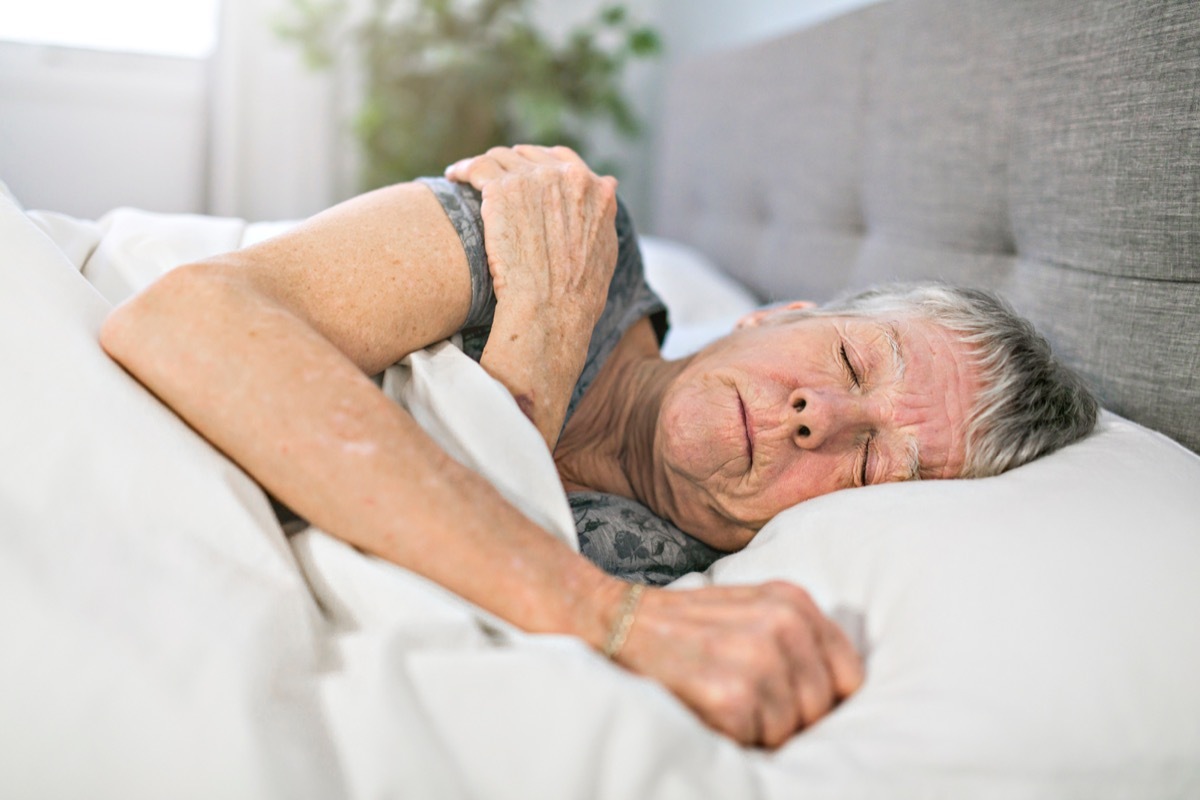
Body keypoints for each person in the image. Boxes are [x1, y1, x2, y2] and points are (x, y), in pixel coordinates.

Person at [99, 145, 1097, 749]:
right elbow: (188, 319)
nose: (816, 416)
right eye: (846, 357)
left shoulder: (674, 580)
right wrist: (597, 613)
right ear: (776, 315)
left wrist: (527, 359)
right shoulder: (574, 235)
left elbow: (385, 607)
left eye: (874, 461)